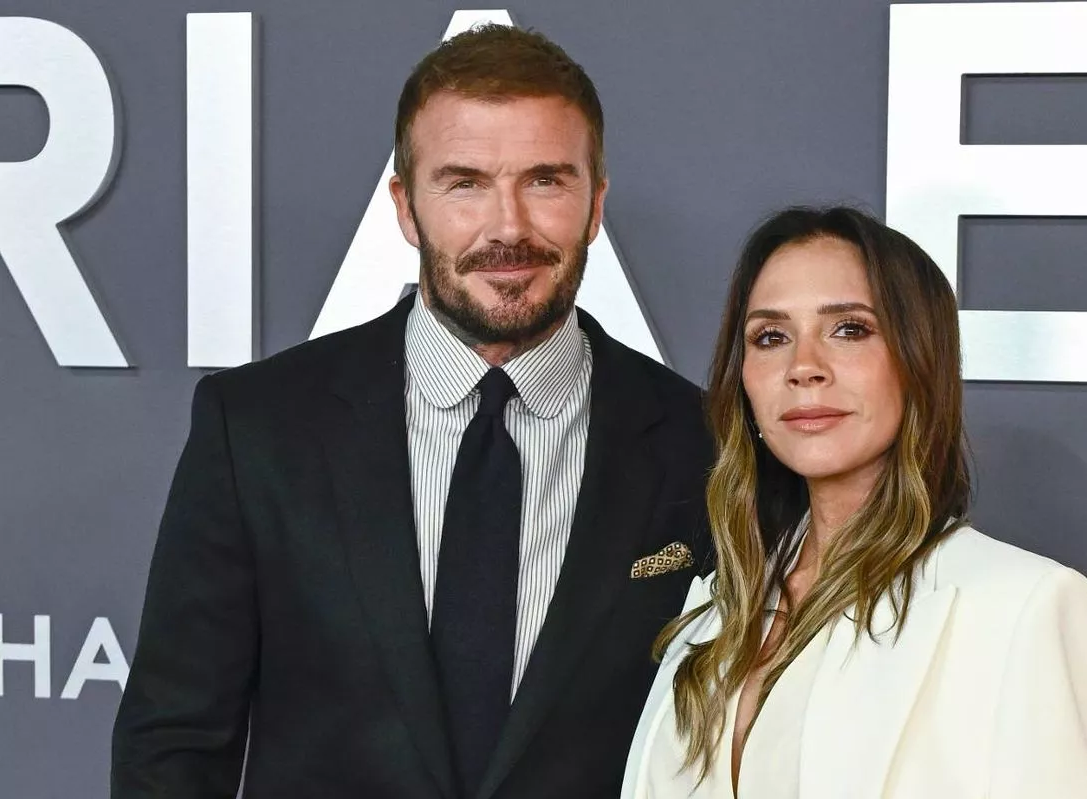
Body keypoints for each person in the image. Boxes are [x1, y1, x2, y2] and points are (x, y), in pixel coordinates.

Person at [112, 24, 713, 799]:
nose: (508, 227)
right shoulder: (257, 428)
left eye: (546, 181)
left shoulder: (706, 443)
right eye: (464, 182)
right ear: (406, 205)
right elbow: (174, 742)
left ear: (595, 203)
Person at [621, 206, 1087, 799]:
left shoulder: (1019, 603)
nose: (803, 368)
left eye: (849, 329)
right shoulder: (719, 603)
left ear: (918, 358)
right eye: (771, 337)